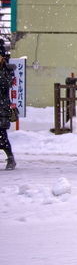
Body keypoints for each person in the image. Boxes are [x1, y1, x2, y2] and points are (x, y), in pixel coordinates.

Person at [0, 41, 15, 170]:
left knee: (1, 134)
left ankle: (10, 158)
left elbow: (6, 84)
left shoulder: (7, 70)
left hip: (2, 106)